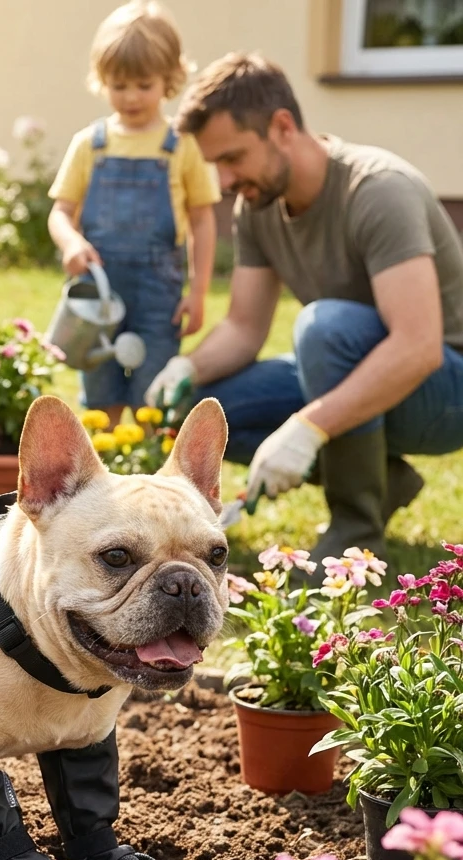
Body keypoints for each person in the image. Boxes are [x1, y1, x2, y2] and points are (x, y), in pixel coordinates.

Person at [145, 52, 463, 567]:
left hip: (445, 390)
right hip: (352, 367)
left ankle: (355, 531)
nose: (224, 181)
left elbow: (419, 345)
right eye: (215, 164)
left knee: (323, 328)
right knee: (206, 408)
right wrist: (187, 367)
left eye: (233, 158)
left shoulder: (379, 190)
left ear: (282, 127)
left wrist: (308, 428)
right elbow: (244, 327)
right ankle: (383, 481)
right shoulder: (258, 206)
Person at [47, 0, 220, 426]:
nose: (130, 97)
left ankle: (149, 459)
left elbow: (203, 220)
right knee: (101, 393)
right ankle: (105, 458)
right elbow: (60, 212)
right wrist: (71, 241)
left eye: (144, 85)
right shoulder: (90, 144)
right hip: (99, 295)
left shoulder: (182, 144)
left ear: (170, 79)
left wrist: (198, 292)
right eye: (118, 85)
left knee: (152, 395)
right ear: (101, 79)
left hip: (158, 297)